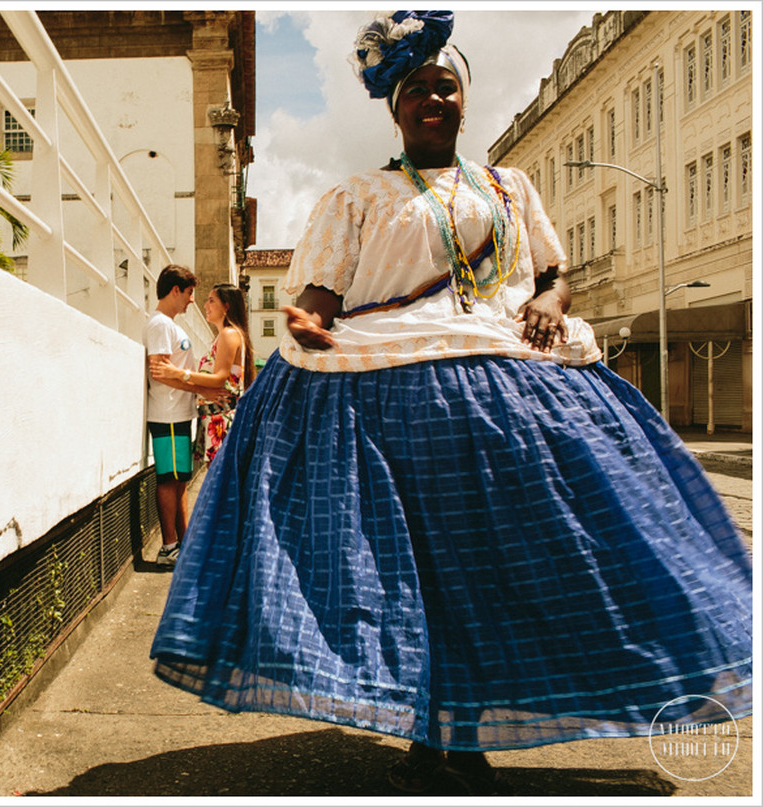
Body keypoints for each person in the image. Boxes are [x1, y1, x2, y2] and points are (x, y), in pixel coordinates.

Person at [150, 10, 751, 795]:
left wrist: (549, 302)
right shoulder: (358, 195)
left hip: (510, 389)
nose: (434, 100)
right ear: (395, 110)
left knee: (515, 569)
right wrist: (303, 316)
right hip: (394, 408)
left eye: (446, 87)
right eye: (418, 91)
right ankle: (434, 725)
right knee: (416, 579)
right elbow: (324, 295)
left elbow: (551, 272)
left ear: (466, 102)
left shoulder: (512, 187)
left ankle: (470, 723)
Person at [150, 283, 256, 465]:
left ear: (227, 306)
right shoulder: (224, 335)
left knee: (219, 484)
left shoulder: (229, 334)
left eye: (211, 301)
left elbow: (219, 378)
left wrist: (177, 373)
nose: (205, 306)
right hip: (215, 419)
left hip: (222, 420)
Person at [143, 264, 199, 568]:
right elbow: (160, 371)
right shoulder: (160, 324)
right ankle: (169, 547)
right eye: (189, 293)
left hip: (178, 413)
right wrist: (197, 384)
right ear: (175, 290)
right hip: (167, 414)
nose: (192, 300)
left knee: (179, 481)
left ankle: (182, 543)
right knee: (169, 480)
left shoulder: (168, 324)